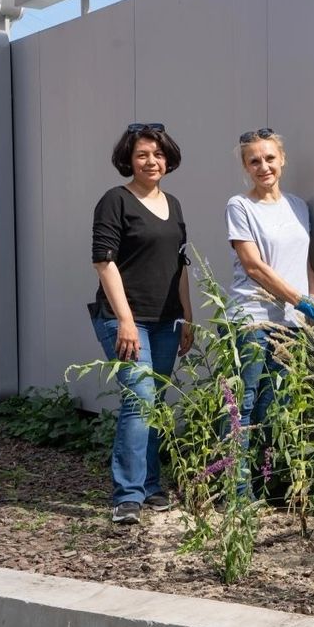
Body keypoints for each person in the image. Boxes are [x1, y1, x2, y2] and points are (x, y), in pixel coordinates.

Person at [90, 123, 194, 525]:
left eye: (158, 154)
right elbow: (104, 262)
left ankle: (150, 486)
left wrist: (187, 315)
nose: (152, 161)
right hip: (125, 321)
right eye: (142, 155)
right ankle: (127, 495)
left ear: (168, 159)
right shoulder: (114, 201)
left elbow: (181, 265)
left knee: (155, 404)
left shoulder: (175, 204)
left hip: (167, 321)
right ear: (129, 160)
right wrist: (125, 321)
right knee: (141, 400)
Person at [224, 127, 314, 495]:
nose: (263, 166)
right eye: (254, 161)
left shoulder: (299, 206)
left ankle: (264, 484)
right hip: (251, 320)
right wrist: (299, 299)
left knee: (276, 405)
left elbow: (305, 262)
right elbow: (254, 266)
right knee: (242, 406)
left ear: (282, 159)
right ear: (246, 167)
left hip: (289, 324)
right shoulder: (240, 206)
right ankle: (238, 493)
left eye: (270, 158)